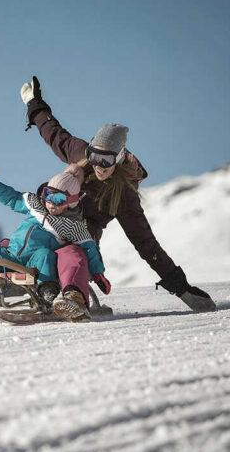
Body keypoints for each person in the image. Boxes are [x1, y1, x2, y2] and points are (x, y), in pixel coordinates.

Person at [20, 76, 216, 312]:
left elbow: (145, 243)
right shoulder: (79, 153)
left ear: (120, 158)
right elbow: (53, 133)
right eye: (95, 157)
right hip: (52, 221)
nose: (99, 166)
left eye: (106, 160)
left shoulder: (124, 195)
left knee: (72, 254)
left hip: (83, 238)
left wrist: (181, 288)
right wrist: (34, 103)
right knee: (29, 240)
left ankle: (70, 295)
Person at [0, 164, 111, 322]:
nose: (51, 202)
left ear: (71, 201)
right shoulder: (35, 205)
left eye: (58, 199)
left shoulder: (72, 225)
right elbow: (13, 198)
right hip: (10, 253)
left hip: (34, 260)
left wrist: (98, 274)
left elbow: (89, 248)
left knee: (46, 255)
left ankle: (48, 293)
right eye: (48, 194)